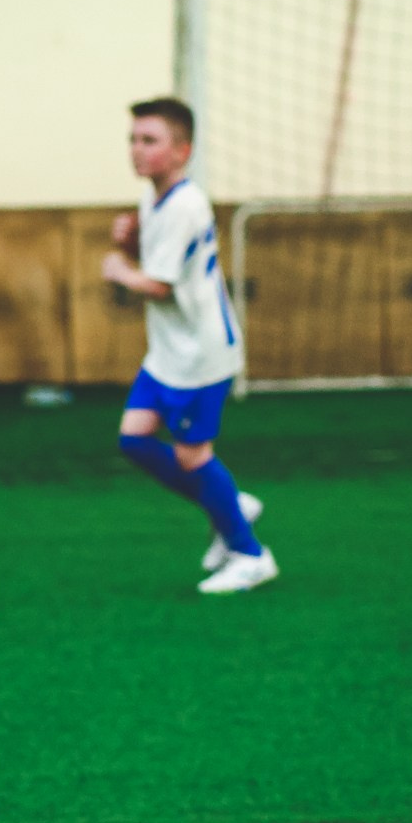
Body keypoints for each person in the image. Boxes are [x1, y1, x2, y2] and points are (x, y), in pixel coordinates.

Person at [104, 97, 276, 594]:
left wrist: (120, 268)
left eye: (150, 140)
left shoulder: (185, 204)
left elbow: (159, 286)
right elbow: (164, 267)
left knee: (192, 458)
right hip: (168, 353)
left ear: (183, 151)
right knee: (133, 439)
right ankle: (227, 503)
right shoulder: (155, 198)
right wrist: (134, 240)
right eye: (133, 140)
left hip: (200, 356)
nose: (137, 150)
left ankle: (250, 555)